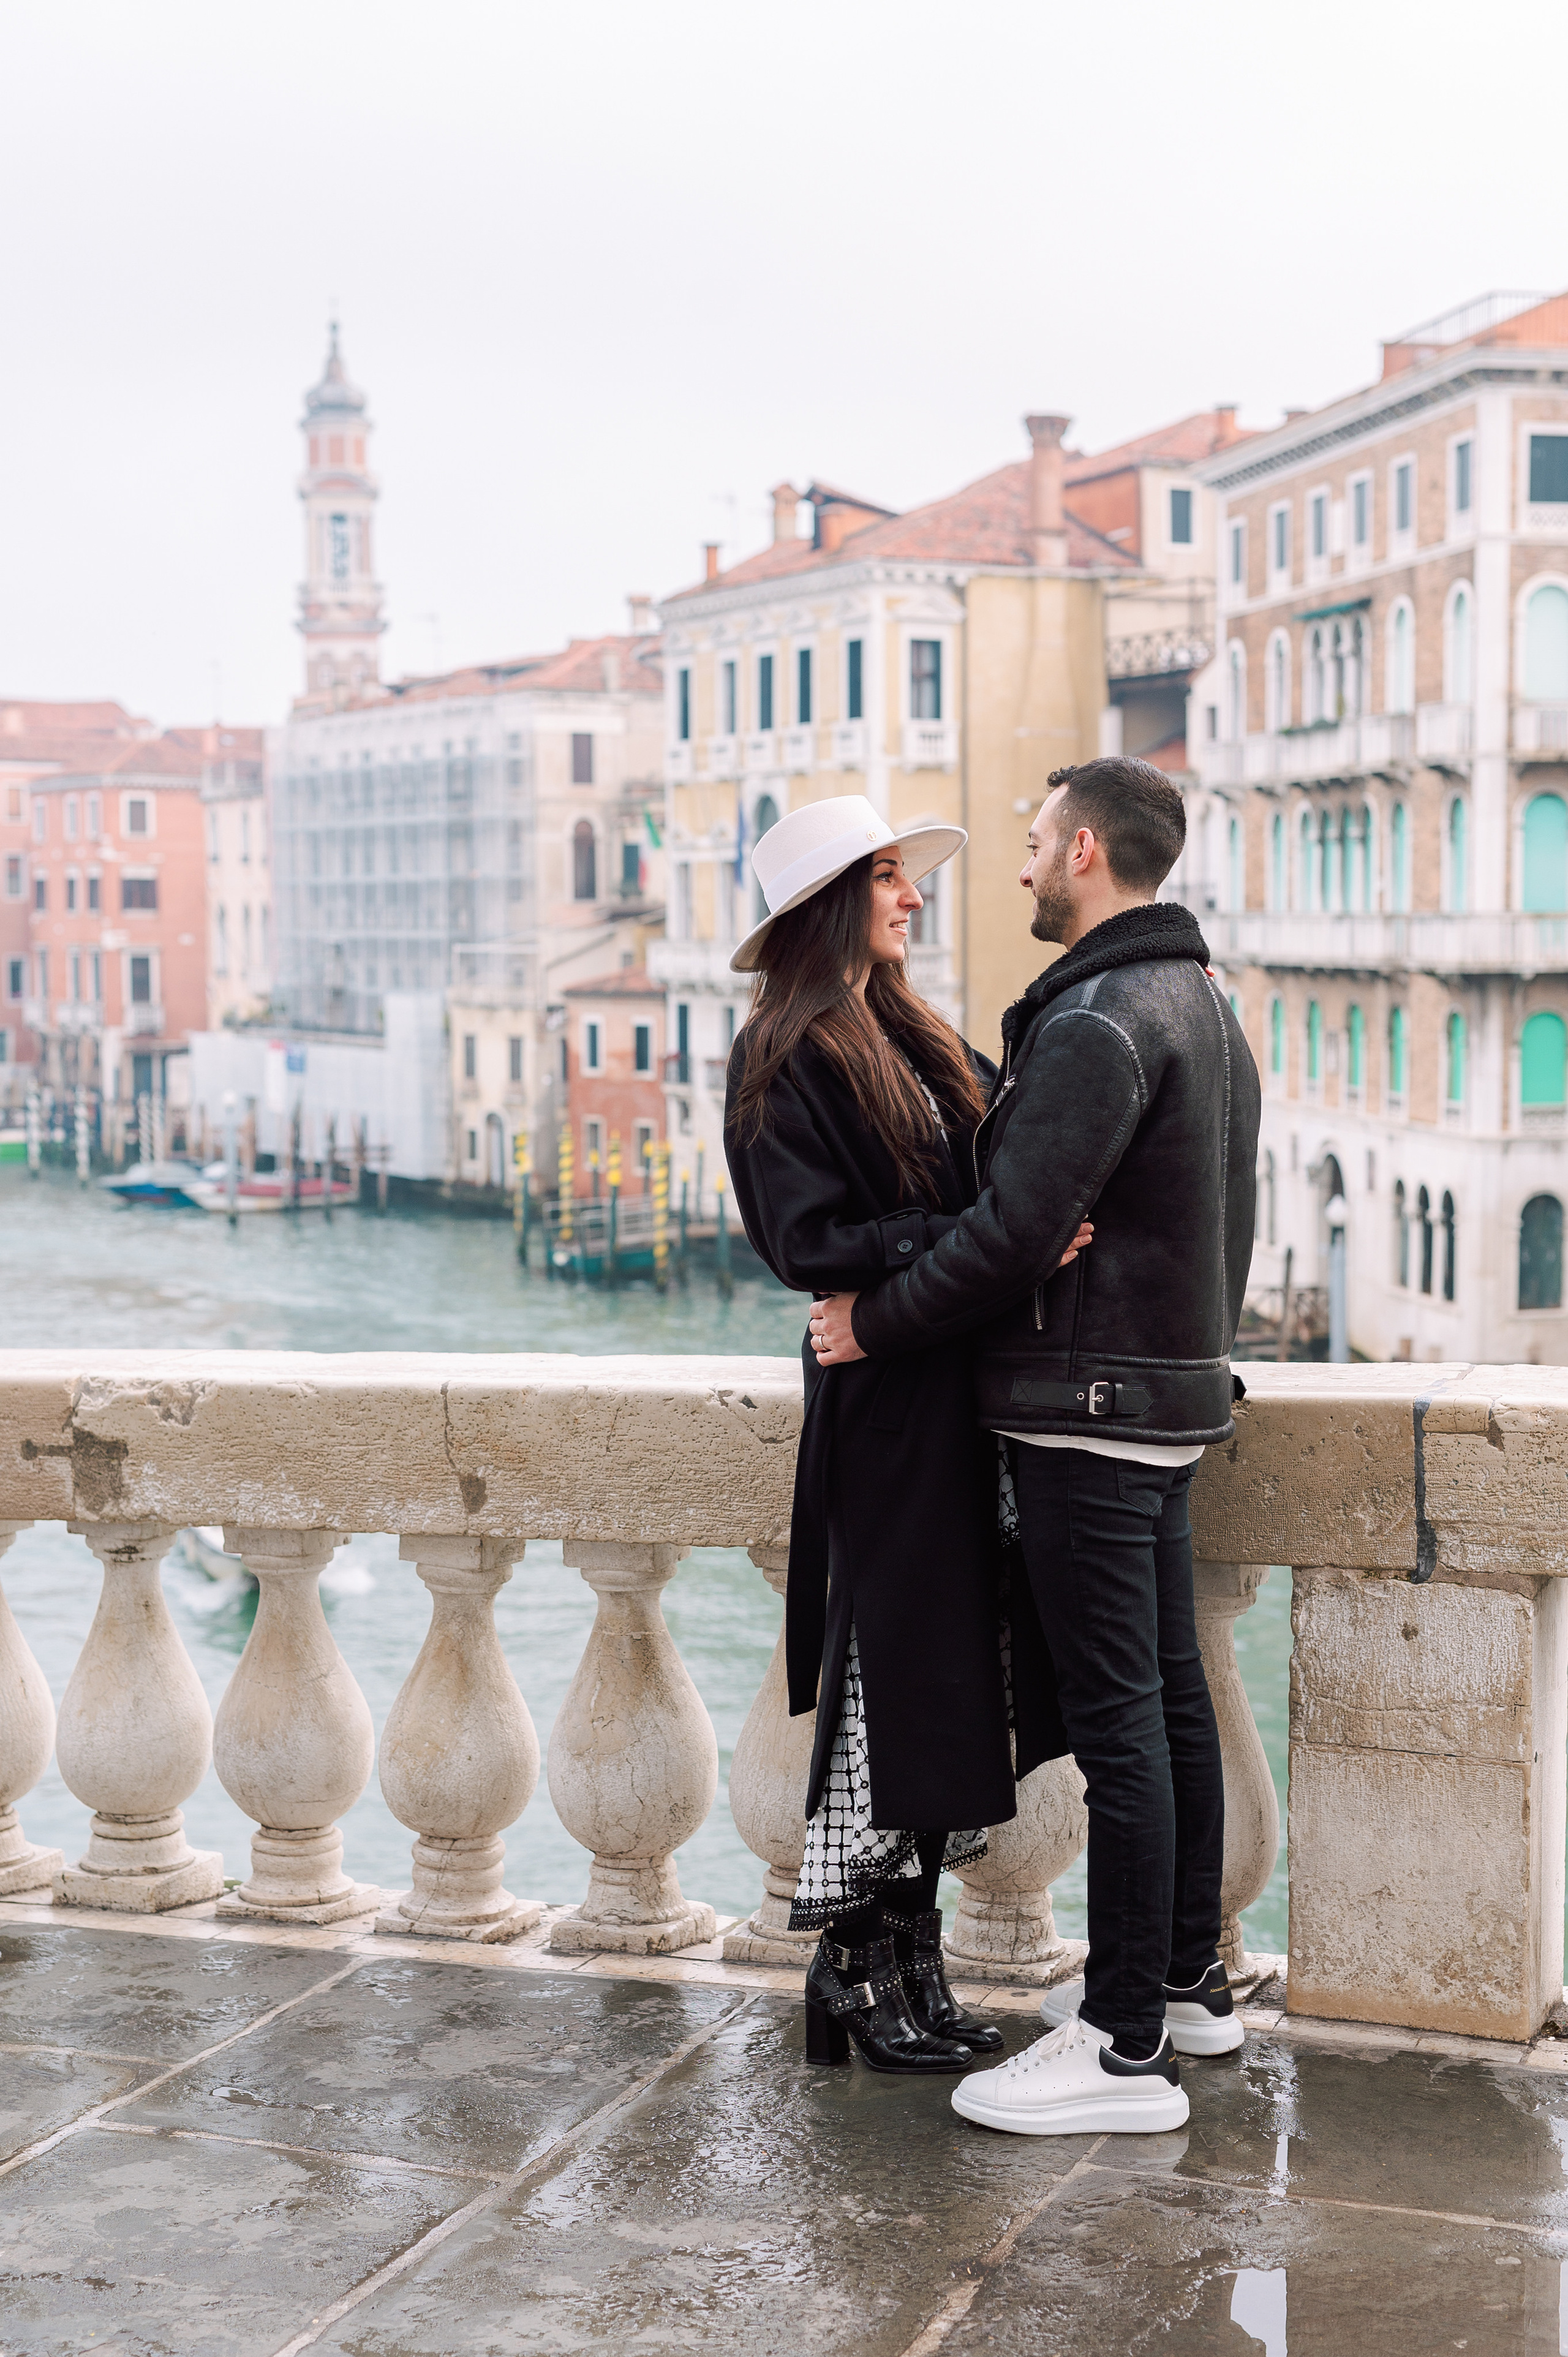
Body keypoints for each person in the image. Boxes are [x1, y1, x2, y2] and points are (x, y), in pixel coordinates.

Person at [809, 755, 1262, 2137]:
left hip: (1087, 1409)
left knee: (1124, 1725)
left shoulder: (1097, 1021)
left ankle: (1120, 2050)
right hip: (1165, 1399)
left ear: (1080, 850)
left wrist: (871, 1323)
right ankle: (1182, 1984)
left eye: (1026, 840)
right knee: (1170, 1705)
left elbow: (1010, 1235)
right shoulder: (1202, 1001)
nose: (1012, 867)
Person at [723, 793, 1090, 2077]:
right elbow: (803, 1246)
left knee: (953, 1694)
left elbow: (991, 1182)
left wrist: (1010, 1228)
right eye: (886, 878)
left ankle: (905, 1961)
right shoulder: (784, 1050)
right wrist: (966, 1247)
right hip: (885, 1411)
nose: (912, 898)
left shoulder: (912, 1034)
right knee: (891, 1697)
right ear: (830, 901)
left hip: (952, 1394)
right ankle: (852, 1962)